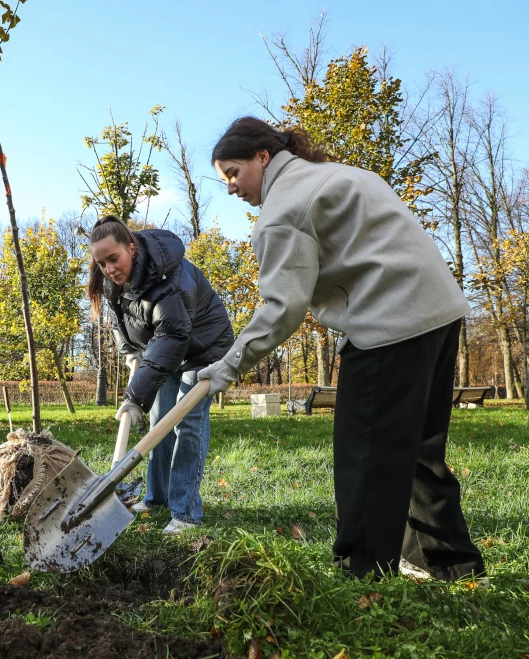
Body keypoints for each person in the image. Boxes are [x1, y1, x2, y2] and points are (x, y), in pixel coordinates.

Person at [198, 117, 486, 582]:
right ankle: (448, 563)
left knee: (365, 454)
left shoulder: (282, 211)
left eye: (233, 172)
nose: (231, 187)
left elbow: (282, 308)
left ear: (263, 156)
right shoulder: (344, 174)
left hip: (388, 323)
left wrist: (228, 368)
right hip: (440, 311)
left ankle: (365, 571)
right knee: (419, 449)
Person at [88, 215, 234, 534]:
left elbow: (172, 335)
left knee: (186, 423)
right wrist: (131, 354)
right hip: (160, 349)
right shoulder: (115, 280)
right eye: (102, 264)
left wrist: (134, 398)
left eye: (114, 259)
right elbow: (122, 322)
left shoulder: (170, 279)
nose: (109, 269)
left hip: (202, 348)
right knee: (159, 422)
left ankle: (185, 512)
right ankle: (156, 498)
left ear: (132, 248)